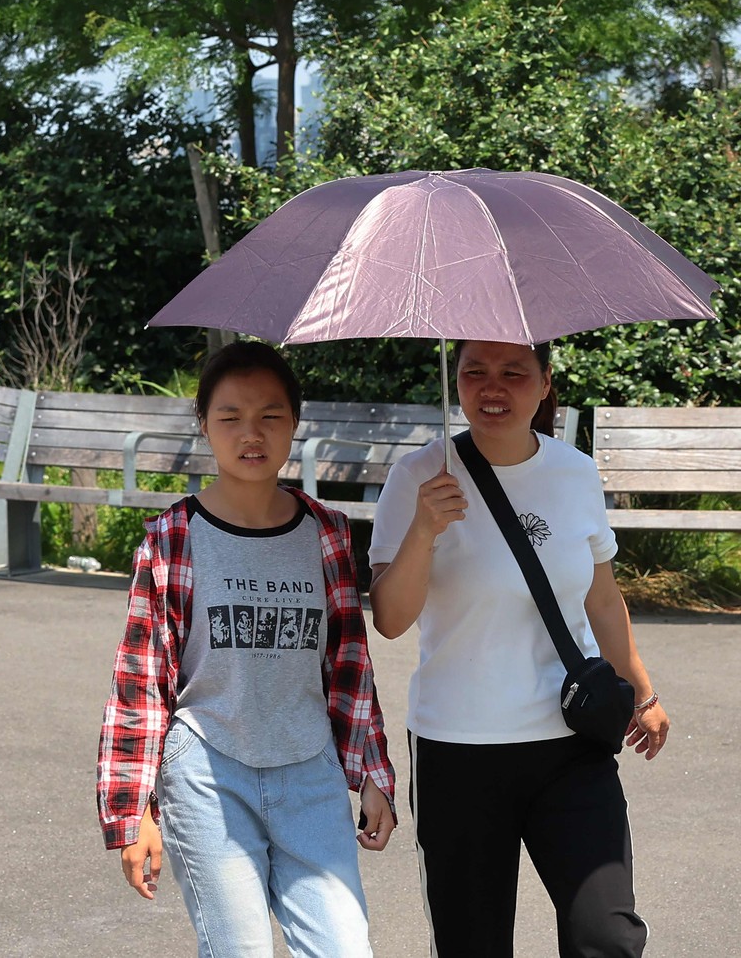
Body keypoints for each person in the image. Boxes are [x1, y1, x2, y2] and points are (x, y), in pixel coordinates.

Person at [368, 340, 669, 958]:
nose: (492, 388)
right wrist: (424, 530)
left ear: (543, 383)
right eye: (474, 372)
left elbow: (603, 599)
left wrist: (642, 690)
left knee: (606, 935)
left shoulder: (575, 472)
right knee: (472, 944)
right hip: (458, 749)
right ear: (457, 381)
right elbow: (392, 619)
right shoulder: (418, 477)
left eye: (513, 373)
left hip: (570, 742)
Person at [96, 341, 395, 957]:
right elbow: (141, 679)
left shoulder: (326, 532)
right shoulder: (174, 534)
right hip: (208, 773)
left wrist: (372, 772)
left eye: (271, 416)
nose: (251, 433)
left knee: (345, 949)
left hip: (310, 772)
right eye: (230, 416)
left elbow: (348, 667)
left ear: (295, 423)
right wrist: (132, 812)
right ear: (204, 424)